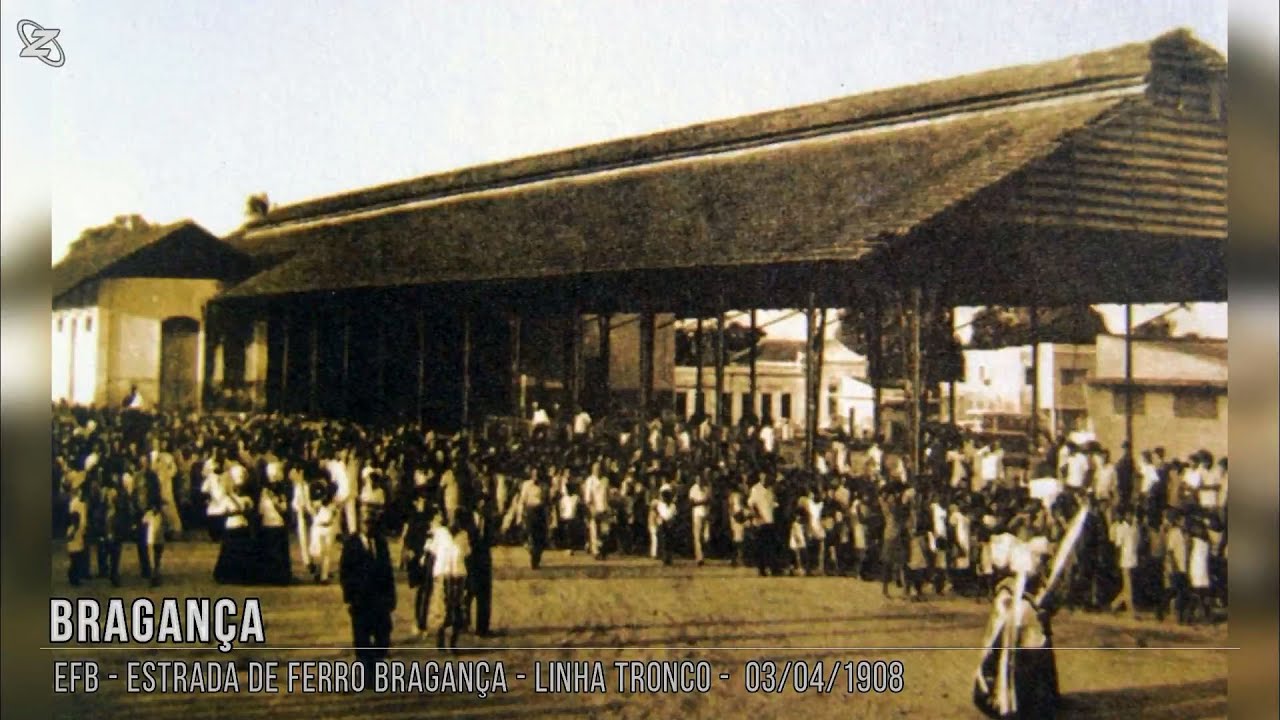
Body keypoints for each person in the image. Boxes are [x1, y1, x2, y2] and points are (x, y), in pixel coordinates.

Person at [340, 484, 395, 675]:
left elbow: (387, 571)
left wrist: (391, 597)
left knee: (382, 637)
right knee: (362, 639)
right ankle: (367, 673)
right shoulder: (351, 544)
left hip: (379, 599)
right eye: (365, 523)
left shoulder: (380, 543)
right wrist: (349, 597)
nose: (369, 526)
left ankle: (376, 666)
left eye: (371, 523)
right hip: (361, 600)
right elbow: (345, 573)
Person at [688, 474, 711, 565]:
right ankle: (699, 557)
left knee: (705, 537)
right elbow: (691, 502)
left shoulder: (707, 488)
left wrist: (701, 502)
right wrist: (701, 502)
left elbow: (709, 500)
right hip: (697, 514)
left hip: (705, 514)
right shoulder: (693, 489)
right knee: (697, 536)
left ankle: (704, 554)